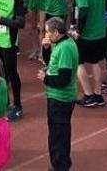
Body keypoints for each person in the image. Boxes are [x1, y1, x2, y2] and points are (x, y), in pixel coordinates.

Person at [38, 17, 79, 171]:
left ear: (56, 32)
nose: (46, 35)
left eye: (48, 32)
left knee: (58, 136)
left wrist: (46, 78)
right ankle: (60, 164)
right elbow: (51, 63)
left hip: (60, 99)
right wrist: (46, 49)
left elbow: (63, 79)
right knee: (58, 134)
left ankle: (60, 166)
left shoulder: (65, 48)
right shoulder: (60, 44)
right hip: (57, 98)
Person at [73, 0, 107, 108]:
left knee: (78, 63)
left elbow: (83, 12)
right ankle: (98, 94)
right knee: (95, 63)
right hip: (100, 32)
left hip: (87, 34)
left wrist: (78, 30)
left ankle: (88, 94)